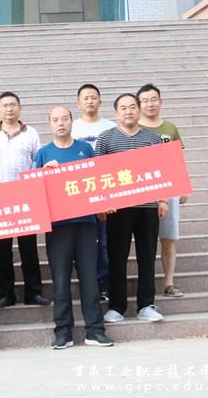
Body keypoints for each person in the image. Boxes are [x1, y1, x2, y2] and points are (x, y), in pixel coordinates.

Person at [35, 107, 113, 350]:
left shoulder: (85, 149)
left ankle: (95, 330)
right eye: (55, 119)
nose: (60, 123)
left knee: (89, 279)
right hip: (58, 227)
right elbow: (33, 190)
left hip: (86, 224)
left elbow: (98, 180)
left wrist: (104, 204)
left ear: (71, 121)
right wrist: (42, 174)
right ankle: (63, 332)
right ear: (50, 124)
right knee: (60, 281)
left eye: (64, 118)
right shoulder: (43, 153)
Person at [96, 94, 168, 323]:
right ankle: (117, 307)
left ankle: (146, 305)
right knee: (117, 257)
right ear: (116, 112)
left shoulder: (153, 139)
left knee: (147, 256)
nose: (128, 111)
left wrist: (163, 200)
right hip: (118, 208)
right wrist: (102, 203)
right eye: (123, 108)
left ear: (139, 110)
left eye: (132, 107)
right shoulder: (105, 139)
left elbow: (162, 170)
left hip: (148, 207)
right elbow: (97, 174)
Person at [0, 91, 49, 308]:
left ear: (19, 108)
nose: (9, 109)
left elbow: (37, 162)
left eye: (13, 105)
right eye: (5, 105)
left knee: (29, 248)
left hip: (25, 196)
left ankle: (33, 292)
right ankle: (6, 294)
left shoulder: (31, 133)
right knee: (2, 250)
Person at [137, 83, 187, 298]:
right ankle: (145, 283)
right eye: (145, 100)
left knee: (168, 237)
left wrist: (183, 185)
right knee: (143, 238)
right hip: (142, 187)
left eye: (153, 99)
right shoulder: (134, 127)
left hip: (169, 186)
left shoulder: (170, 128)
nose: (150, 104)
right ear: (139, 105)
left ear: (160, 101)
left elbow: (178, 159)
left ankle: (169, 283)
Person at [71, 83, 117, 302]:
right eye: (85, 98)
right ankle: (88, 285)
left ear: (100, 101)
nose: (90, 101)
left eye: (93, 97)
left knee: (104, 242)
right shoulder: (72, 127)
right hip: (79, 193)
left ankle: (105, 285)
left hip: (106, 190)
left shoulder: (110, 127)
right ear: (78, 103)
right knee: (85, 243)